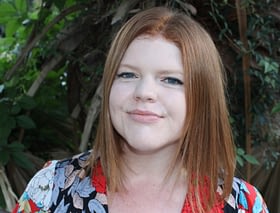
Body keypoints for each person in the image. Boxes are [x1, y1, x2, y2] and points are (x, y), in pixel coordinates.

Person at [13, 7, 269, 213]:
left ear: (203, 97)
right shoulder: (52, 190)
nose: (144, 92)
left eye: (171, 79)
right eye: (127, 74)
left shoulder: (243, 205)